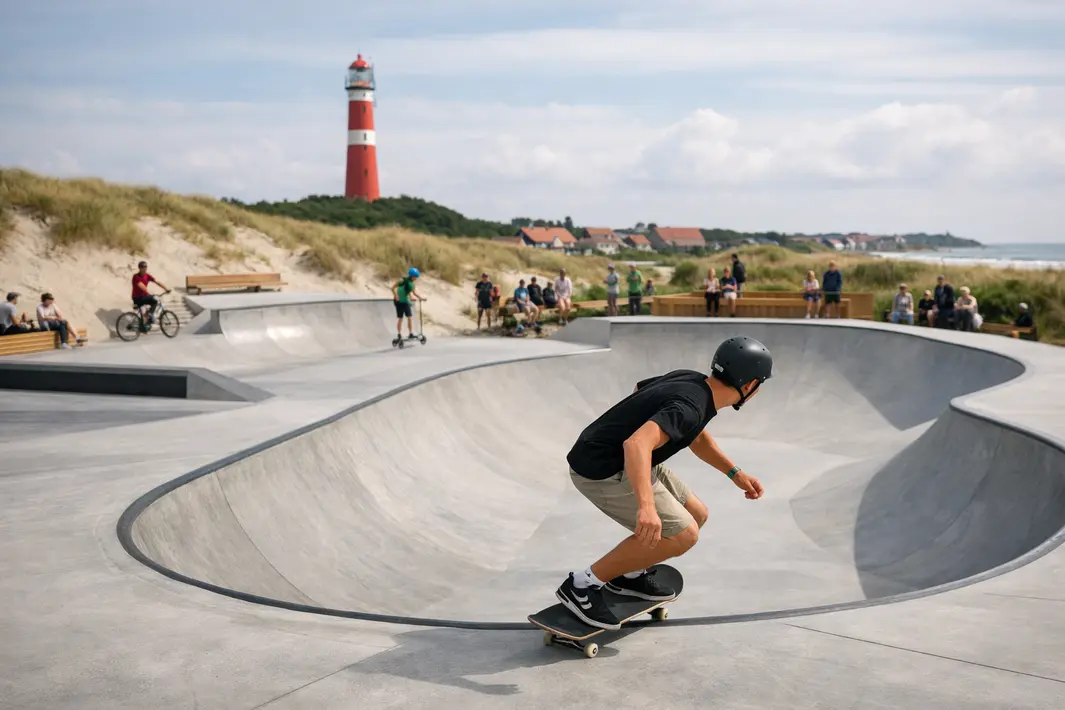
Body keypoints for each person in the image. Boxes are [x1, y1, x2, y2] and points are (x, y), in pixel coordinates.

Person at [555, 336, 774, 629]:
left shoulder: (694, 382)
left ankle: (629, 576)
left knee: (697, 514)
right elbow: (636, 445)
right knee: (684, 535)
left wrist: (735, 474)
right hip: (602, 469)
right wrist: (646, 507)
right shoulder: (691, 407)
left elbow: (645, 395)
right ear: (749, 386)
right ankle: (581, 585)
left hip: (629, 459)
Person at [132, 261, 171, 330]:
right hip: (137, 297)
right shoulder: (136, 277)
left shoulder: (147, 276)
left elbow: (157, 282)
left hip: (143, 297)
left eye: (145, 267)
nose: (144, 269)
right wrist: (150, 294)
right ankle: (149, 315)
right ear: (139, 268)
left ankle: (145, 323)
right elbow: (142, 287)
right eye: (142, 267)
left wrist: (166, 289)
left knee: (149, 305)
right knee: (154, 300)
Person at [392, 267, 425, 340]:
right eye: (415, 277)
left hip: (406, 302)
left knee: (409, 317)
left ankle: (410, 333)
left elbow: (414, 293)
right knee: (400, 318)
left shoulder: (412, 284)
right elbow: (393, 287)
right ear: (411, 275)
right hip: (399, 302)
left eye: (416, 277)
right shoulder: (402, 280)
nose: (416, 278)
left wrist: (421, 298)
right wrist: (395, 295)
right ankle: (399, 334)